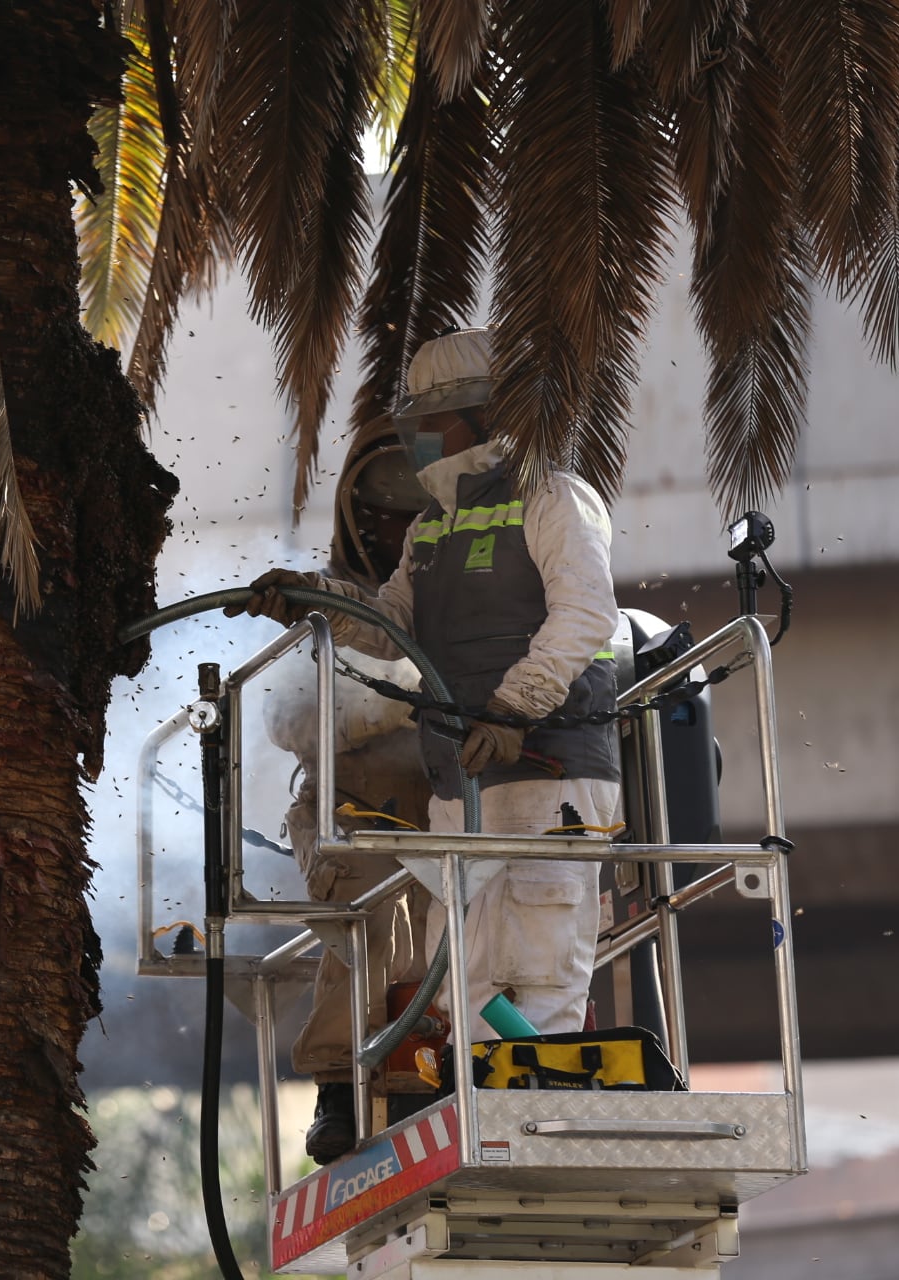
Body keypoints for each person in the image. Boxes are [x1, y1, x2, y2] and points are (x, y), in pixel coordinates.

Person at [230, 326, 621, 1155]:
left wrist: (514, 709)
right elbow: (390, 628)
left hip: (546, 775)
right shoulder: (430, 530)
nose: (419, 441)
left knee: (539, 960)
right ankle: (483, 1124)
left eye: (430, 422)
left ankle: (534, 1131)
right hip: (462, 784)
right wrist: (315, 599)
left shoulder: (554, 497)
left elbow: (588, 614)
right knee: (462, 974)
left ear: (480, 417)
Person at [259, 427, 434, 1165]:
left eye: (410, 513)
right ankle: (338, 1084)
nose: (396, 529)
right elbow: (284, 718)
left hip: (439, 804)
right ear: (357, 521)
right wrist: (385, 706)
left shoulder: (454, 597)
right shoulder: (321, 609)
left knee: (457, 935)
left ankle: (434, 1073)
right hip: (347, 808)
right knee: (366, 919)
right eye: (384, 515)